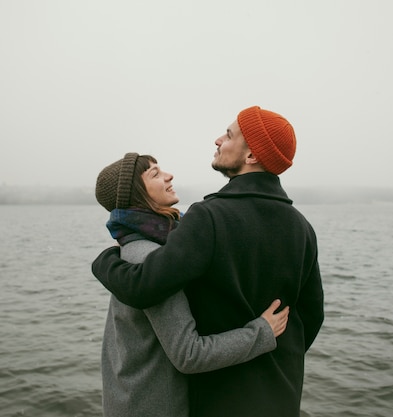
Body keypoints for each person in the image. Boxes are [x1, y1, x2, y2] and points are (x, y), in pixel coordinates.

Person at [92, 106, 324, 417]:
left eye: (228, 135)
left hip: (221, 394)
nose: (218, 140)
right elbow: (312, 315)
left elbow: (144, 286)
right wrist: (280, 360)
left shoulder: (208, 218)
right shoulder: (302, 227)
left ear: (251, 155)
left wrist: (105, 261)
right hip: (282, 392)